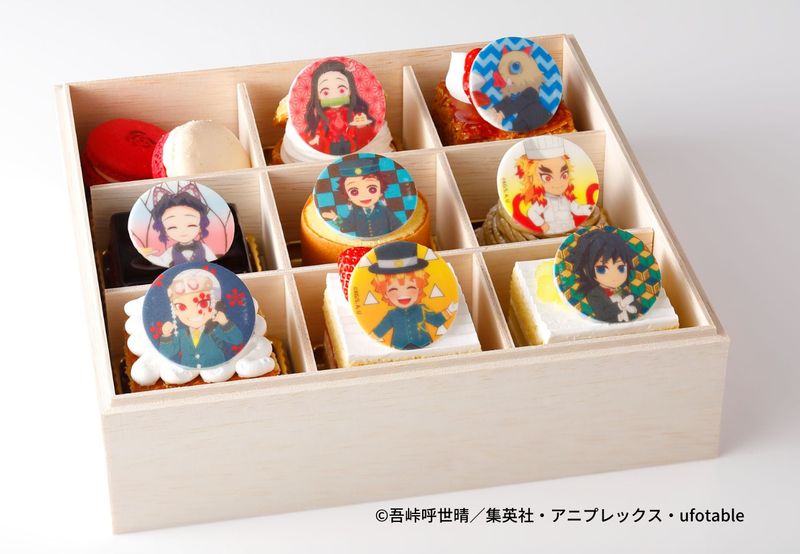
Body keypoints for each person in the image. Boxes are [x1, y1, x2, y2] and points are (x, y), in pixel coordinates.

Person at [368, 242, 457, 350]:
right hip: (399, 346)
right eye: (393, 289)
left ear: (419, 288)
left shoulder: (422, 309)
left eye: (410, 288)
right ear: (385, 293)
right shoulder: (391, 315)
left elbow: (436, 320)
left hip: (425, 343)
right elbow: (381, 329)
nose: (403, 294)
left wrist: (449, 310)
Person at [156, 268, 243, 368]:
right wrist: (166, 335)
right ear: (175, 311)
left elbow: (237, 340)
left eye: (203, 303)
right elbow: (167, 353)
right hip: (188, 372)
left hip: (217, 369)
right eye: (181, 307)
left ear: (214, 305)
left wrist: (225, 323)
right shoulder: (181, 334)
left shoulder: (214, 330)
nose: (194, 312)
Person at [566, 228, 640, 323]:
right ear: (585, 270)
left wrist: (633, 304)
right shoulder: (594, 294)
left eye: (621, 268)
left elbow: (637, 305)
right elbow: (604, 314)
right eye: (602, 269)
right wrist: (621, 305)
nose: (614, 275)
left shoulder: (620, 291)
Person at [302, 60, 375, 154]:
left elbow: (359, 131)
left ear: (350, 90)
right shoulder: (326, 115)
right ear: (318, 95)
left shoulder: (350, 113)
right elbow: (320, 128)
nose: (334, 96)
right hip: (332, 143)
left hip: (349, 142)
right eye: (325, 92)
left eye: (341, 90)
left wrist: (361, 127)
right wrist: (317, 137)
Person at [320, 156, 402, 237]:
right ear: (348, 196)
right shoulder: (355, 213)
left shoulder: (384, 210)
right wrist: (335, 217)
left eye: (372, 189)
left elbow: (397, 225)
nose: (364, 195)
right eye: (354, 191)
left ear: (380, 192)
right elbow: (347, 226)